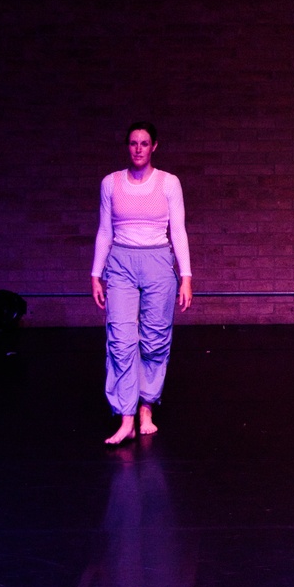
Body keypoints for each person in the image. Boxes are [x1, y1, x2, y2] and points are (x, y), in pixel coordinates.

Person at [92, 121, 193, 445]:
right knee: (121, 341)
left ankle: (146, 408)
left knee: (154, 340)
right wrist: (96, 274)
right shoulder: (111, 183)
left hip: (158, 263)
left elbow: (178, 230)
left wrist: (186, 276)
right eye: (133, 143)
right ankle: (126, 418)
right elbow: (105, 231)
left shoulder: (169, 183)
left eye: (144, 143)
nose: (138, 148)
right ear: (127, 146)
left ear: (154, 147)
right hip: (120, 263)